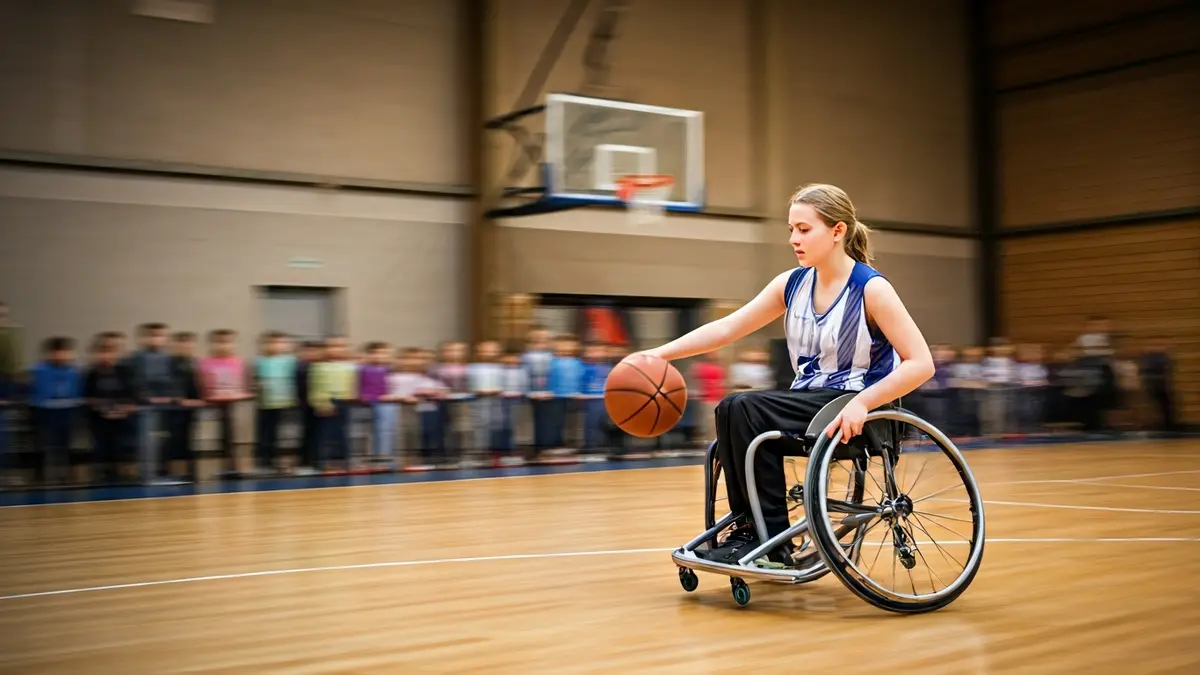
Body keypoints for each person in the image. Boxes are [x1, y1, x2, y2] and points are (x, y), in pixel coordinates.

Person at [638, 184, 934, 569]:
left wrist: (863, 402)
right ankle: (750, 529)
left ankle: (770, 542)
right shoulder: (792, 283)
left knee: (743, 407)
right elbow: (728, 328)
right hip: (811, 406)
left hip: (860, 408)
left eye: (804, 229)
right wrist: (657, 354)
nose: (794, 239)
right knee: (732, 408)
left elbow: (921, 362)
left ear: (838, 231)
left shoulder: (871, 289)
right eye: (791, 229)